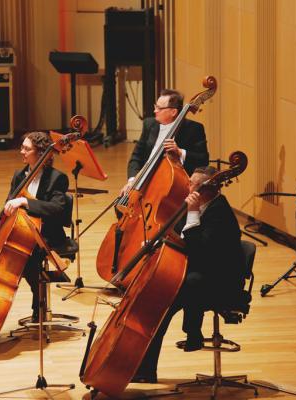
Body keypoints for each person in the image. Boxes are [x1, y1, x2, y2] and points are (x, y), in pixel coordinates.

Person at [132, 166, 246, 383]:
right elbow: (183, 239)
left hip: (221, 281)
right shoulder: (200, 206)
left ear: (206, 190)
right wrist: (159, 242)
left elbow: (200, 252)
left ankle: (191, 333)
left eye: (192, 183)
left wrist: (192, 213)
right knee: (159, 307)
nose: (187, 185)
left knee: (163, 302)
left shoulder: (218, 213)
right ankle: (147, 368)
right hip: (201, 272)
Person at [0, 131, 69, 322]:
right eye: (22, 147)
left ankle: (39, 304)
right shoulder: (19, 175)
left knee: (28, 261)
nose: (21, 151)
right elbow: (7, 212)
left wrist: (26, 202)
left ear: (40, 153)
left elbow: (57, 208)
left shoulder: (57, 178)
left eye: (26, 148)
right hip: (16, 234)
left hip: (43, 235)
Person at [121, 88, 209, 195]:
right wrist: (132, 181)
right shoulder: (149, 124)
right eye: (155, 106)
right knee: (120, 208)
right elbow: (136, 157)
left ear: (173, 112)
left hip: (172, 188)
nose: (155, 111)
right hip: (144, 181)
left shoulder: (194, 129)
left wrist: (180, 152)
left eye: (159, 108)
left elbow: (203, 160)